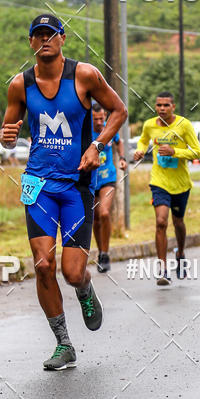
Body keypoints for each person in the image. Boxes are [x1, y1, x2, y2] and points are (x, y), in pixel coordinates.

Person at [0, 13, 127, 371]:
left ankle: (85, 289)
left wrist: (98, 147)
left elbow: (119, 110)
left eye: (50, 34)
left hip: (76, 186)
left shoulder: (84, 75)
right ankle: (64, 344)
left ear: (62, 38)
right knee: (43, 265)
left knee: (72, 272)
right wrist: (5, 137)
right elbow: (7, 131)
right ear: (30, 42)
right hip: (37, 183)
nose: (44, 40)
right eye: (37, 35)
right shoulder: (19, 85)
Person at [132, 91, 200, 285]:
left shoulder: (184, 125)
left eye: (166, 105)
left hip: (180, 184)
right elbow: (144, 140)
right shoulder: (149, 125)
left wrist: (175, 151)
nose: (162, 108)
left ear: (173, 107)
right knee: (161, 221)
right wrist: (140, 150)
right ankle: (162, 269)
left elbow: (197, 152)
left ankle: (180, 253)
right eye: (159, 105)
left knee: (178, 222)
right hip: (159, 182)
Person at [91, 103, 127, 273]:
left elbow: (119, 142)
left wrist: (122, 158)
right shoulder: (84, 132)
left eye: (101, 118)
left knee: (104, 213)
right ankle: (101, 252)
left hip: (108, 178)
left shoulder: (109, 129)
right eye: (95, 119)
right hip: (90, 180)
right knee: (95, 219)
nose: (99, 122)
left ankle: (105, 253)